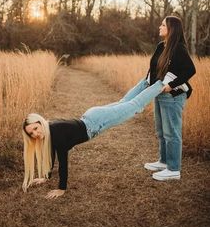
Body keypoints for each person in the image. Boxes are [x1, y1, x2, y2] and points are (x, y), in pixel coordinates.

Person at [22, 78, 165, 199]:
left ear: (40, 122)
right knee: (125, 102)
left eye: (35, 128)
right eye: (31, 134)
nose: (35, 134)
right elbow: (51, 154)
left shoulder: (55, 133)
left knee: (135, 106)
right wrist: (46, 177)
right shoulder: (49, 130)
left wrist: (61, 188)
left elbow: (63, 161)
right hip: (92, 117)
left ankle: (161, 84)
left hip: (95, 122)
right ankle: (147, 81)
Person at [144, 14, 196, 181]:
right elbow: (153, 68)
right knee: (161, 131)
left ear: (171, 30)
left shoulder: (178, 48)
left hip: (173, 96)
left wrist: (171, 85)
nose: (160, 27)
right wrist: (149, 86)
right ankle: (164, 162)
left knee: (171, 132)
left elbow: (190, 70)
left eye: (163, 25)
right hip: (159, 94)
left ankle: (173, 169)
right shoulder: (161, 46)